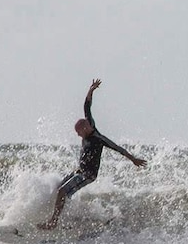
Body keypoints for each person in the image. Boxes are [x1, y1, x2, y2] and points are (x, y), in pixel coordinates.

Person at [39, 79, 147, 229]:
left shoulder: (98, 138)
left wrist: (133, 159)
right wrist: (91, 90)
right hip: (80, 171)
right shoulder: (89, 123)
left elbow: (117, 148)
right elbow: (87, 106)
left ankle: (53, 222)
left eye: (78, 133)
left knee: (63, 191)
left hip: (88, 174)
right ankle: (67, 219)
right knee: (59, 188)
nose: (78, 136)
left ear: (84, 129)